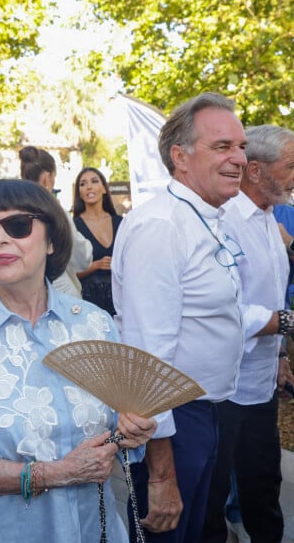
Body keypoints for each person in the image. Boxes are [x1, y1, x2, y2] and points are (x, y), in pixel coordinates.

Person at [0, 178, 156, 542]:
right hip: (7, 532)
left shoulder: (95, 324)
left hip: (92, 527)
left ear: (52, 240)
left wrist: (132, 431)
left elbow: (121, 432)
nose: (0, 239)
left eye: (17, 226)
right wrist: (57, 472)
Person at [112, 92, 248, 541]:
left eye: (242, 147)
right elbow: (148, 360)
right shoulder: (161, 227)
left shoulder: (206, 218)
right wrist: (162, 476)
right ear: (180, 156)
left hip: (203, 415)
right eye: (223, 147)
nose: (239, 159)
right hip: (172, 428)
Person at [201, 124, 294, 542]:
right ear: (255, 171)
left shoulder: (271, 219)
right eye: (290, 166)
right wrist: (287, 323)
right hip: (223, 391)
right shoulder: (224, 222)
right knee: (212, 497)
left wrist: (279, 356)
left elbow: (270, 291)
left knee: (263, 490)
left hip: (261, 387)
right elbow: (226, 310)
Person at [18, 145, 92, 298]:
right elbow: (81, 258)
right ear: (47, 177)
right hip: (57, 290)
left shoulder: (12, 209)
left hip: (20, 290)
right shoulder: (55, 211)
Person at [72, 167, 122, 315]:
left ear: (104, 189)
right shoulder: (74, 226)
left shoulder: (120, 223)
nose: (89, 187)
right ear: (79, 193)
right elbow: (68, 273)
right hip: (89, 302)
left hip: (120, 299)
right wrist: (96, 265)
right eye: (83, 184)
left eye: (94, 181)